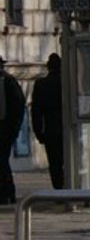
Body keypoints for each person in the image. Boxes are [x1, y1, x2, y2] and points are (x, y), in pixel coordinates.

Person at [31, 53, 64, 190]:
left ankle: (58, 190)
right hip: (67, 129)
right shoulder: (68, 82)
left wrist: (38, 132)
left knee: (54, 163)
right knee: (69, 160)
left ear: (48, 66)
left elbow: (36, 111)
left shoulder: (41, 84)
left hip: (51, 130)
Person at [0, 57, 26, 203]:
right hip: (7, 128)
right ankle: (6, 192)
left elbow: (18, 106)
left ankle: (7, 192)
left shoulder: (8, 82)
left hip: (5, 129)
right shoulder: (9, 82)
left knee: (2, 161)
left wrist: (13, 128)